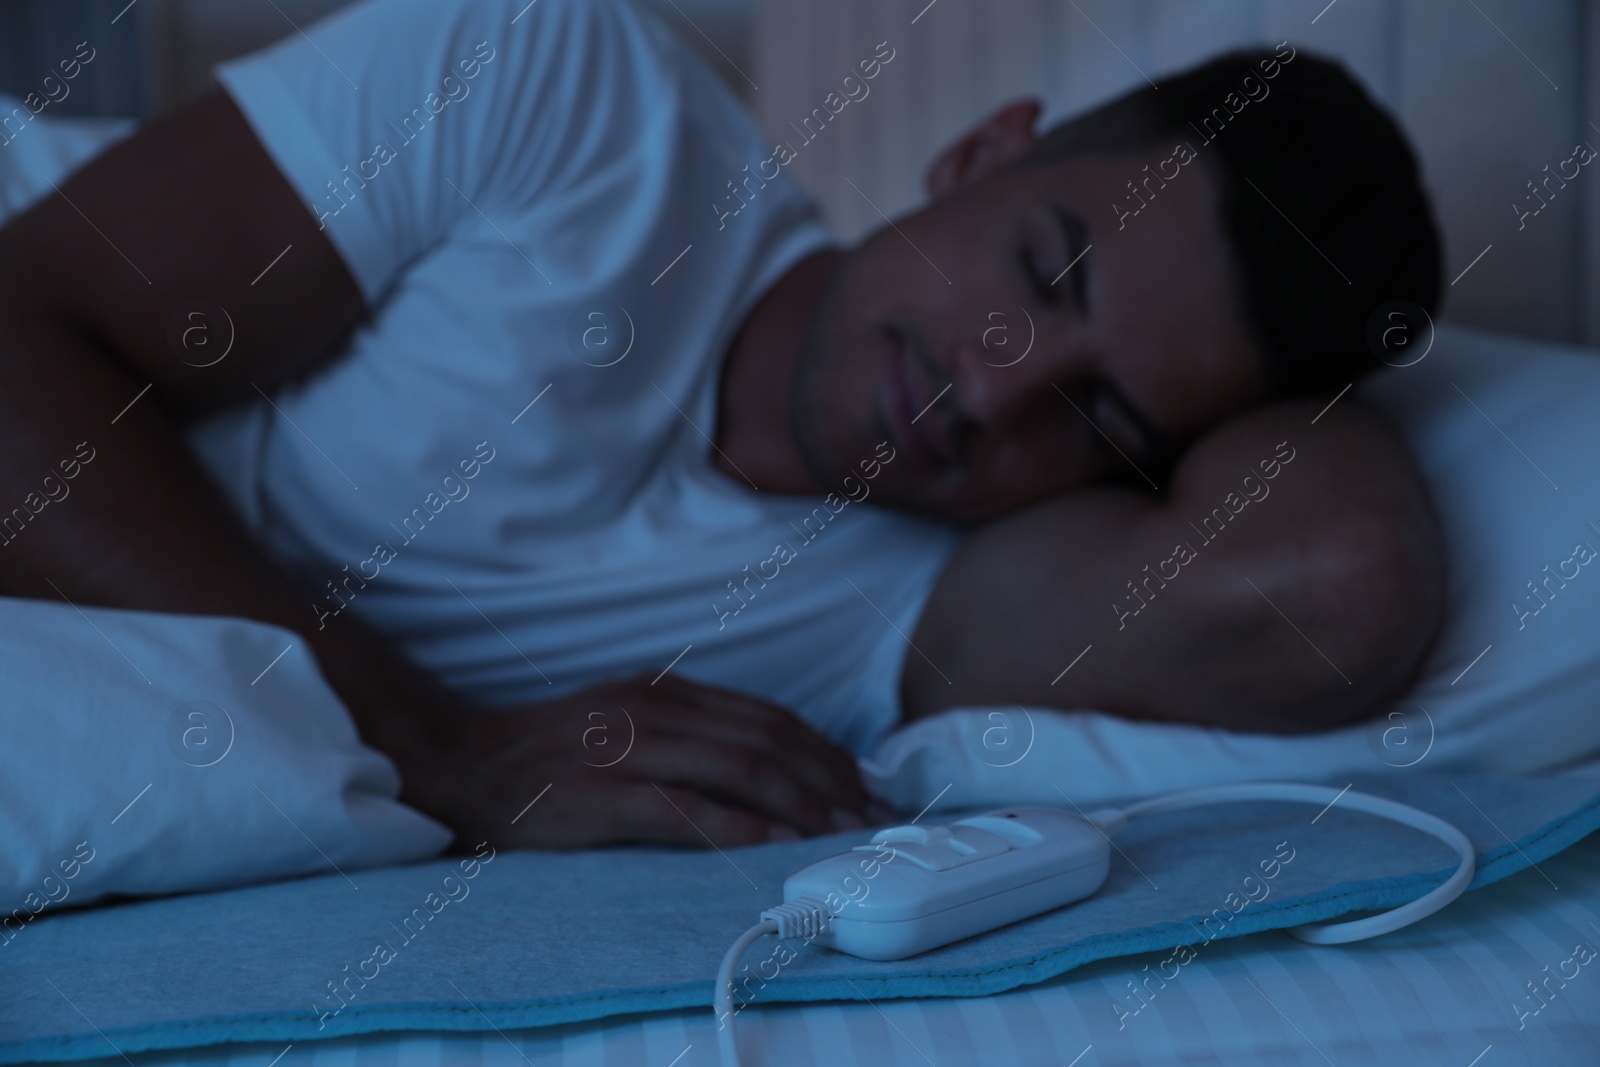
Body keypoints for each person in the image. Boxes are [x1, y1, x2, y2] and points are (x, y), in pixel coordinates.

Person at [0, 0, 1443, 850]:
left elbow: (1334, 586)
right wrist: (429, 743)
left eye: (1105, 409)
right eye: (1043, 269)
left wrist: (1323, 368)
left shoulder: (914, 603)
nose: (990, 390)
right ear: (981, 149)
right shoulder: (560, 89)